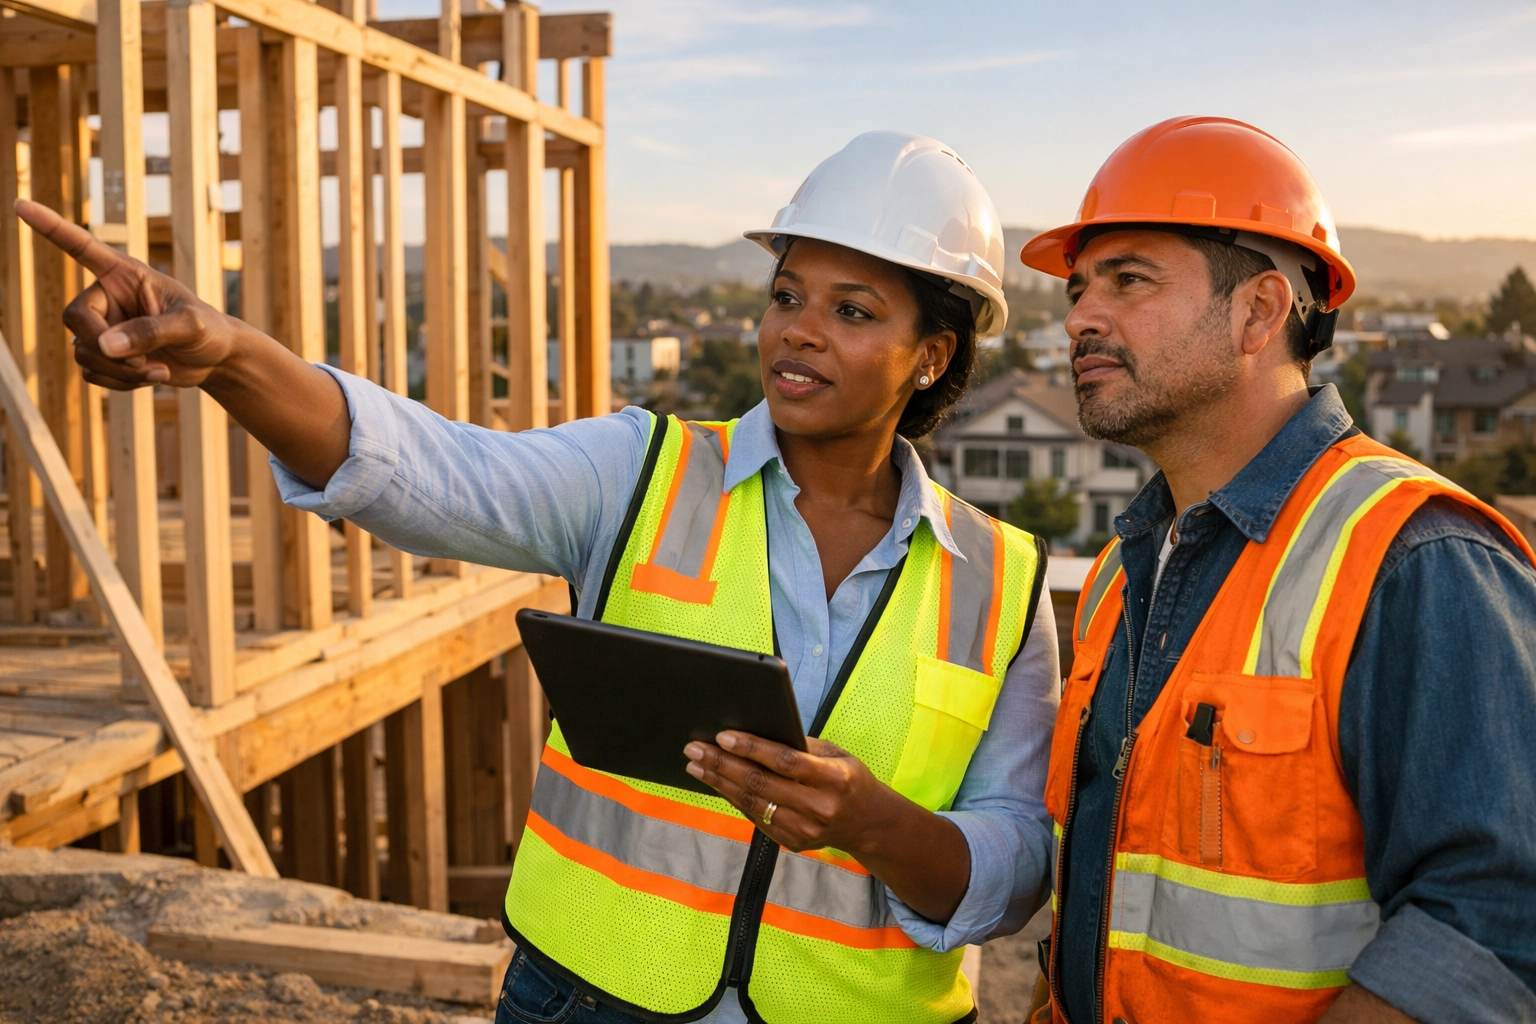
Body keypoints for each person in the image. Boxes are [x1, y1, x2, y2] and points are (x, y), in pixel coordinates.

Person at [19, 130, 1060, 1024]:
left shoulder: (1002, 582)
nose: (798, 327)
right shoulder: (642, 472)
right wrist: (234, 357)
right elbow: (434, 470)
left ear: (931, 355)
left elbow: (1014, 862)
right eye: (788, 294)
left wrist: (873, 823)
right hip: (593, 996)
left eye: (853, 310)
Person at [1017, 115, 1536, 1024]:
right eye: (1078, 287)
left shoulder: (1414, 557)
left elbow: (1494, 920)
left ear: (1259, 311)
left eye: (1128, 279)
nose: (1079, 317)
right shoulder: (1118, 573)